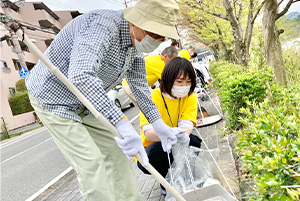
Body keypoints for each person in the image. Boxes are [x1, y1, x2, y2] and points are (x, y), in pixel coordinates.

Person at [25, 1, 189, 200]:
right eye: (154, 34)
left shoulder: (134, 46)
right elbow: (81, 76)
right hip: (53, 99)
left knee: (118, 156)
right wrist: (121, 123)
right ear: (137, 22)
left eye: (161, 37)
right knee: (91, 163)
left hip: (86, 102)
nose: (157, 41)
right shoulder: (100, 27)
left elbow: (139, 86)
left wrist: (159, 124)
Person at [136, 57, 202, 195]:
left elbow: (187, 125)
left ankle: (188, 175)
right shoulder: (152, 97)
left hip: (176, 141)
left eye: (188, 82)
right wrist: (170, 134)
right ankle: (165, 180)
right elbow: (148, 132)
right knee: (156, 152)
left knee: (194, 142)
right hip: (155, 145)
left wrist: (181, 134)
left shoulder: (190, 97)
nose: (184, 86)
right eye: (179, 81)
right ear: (167, 78)